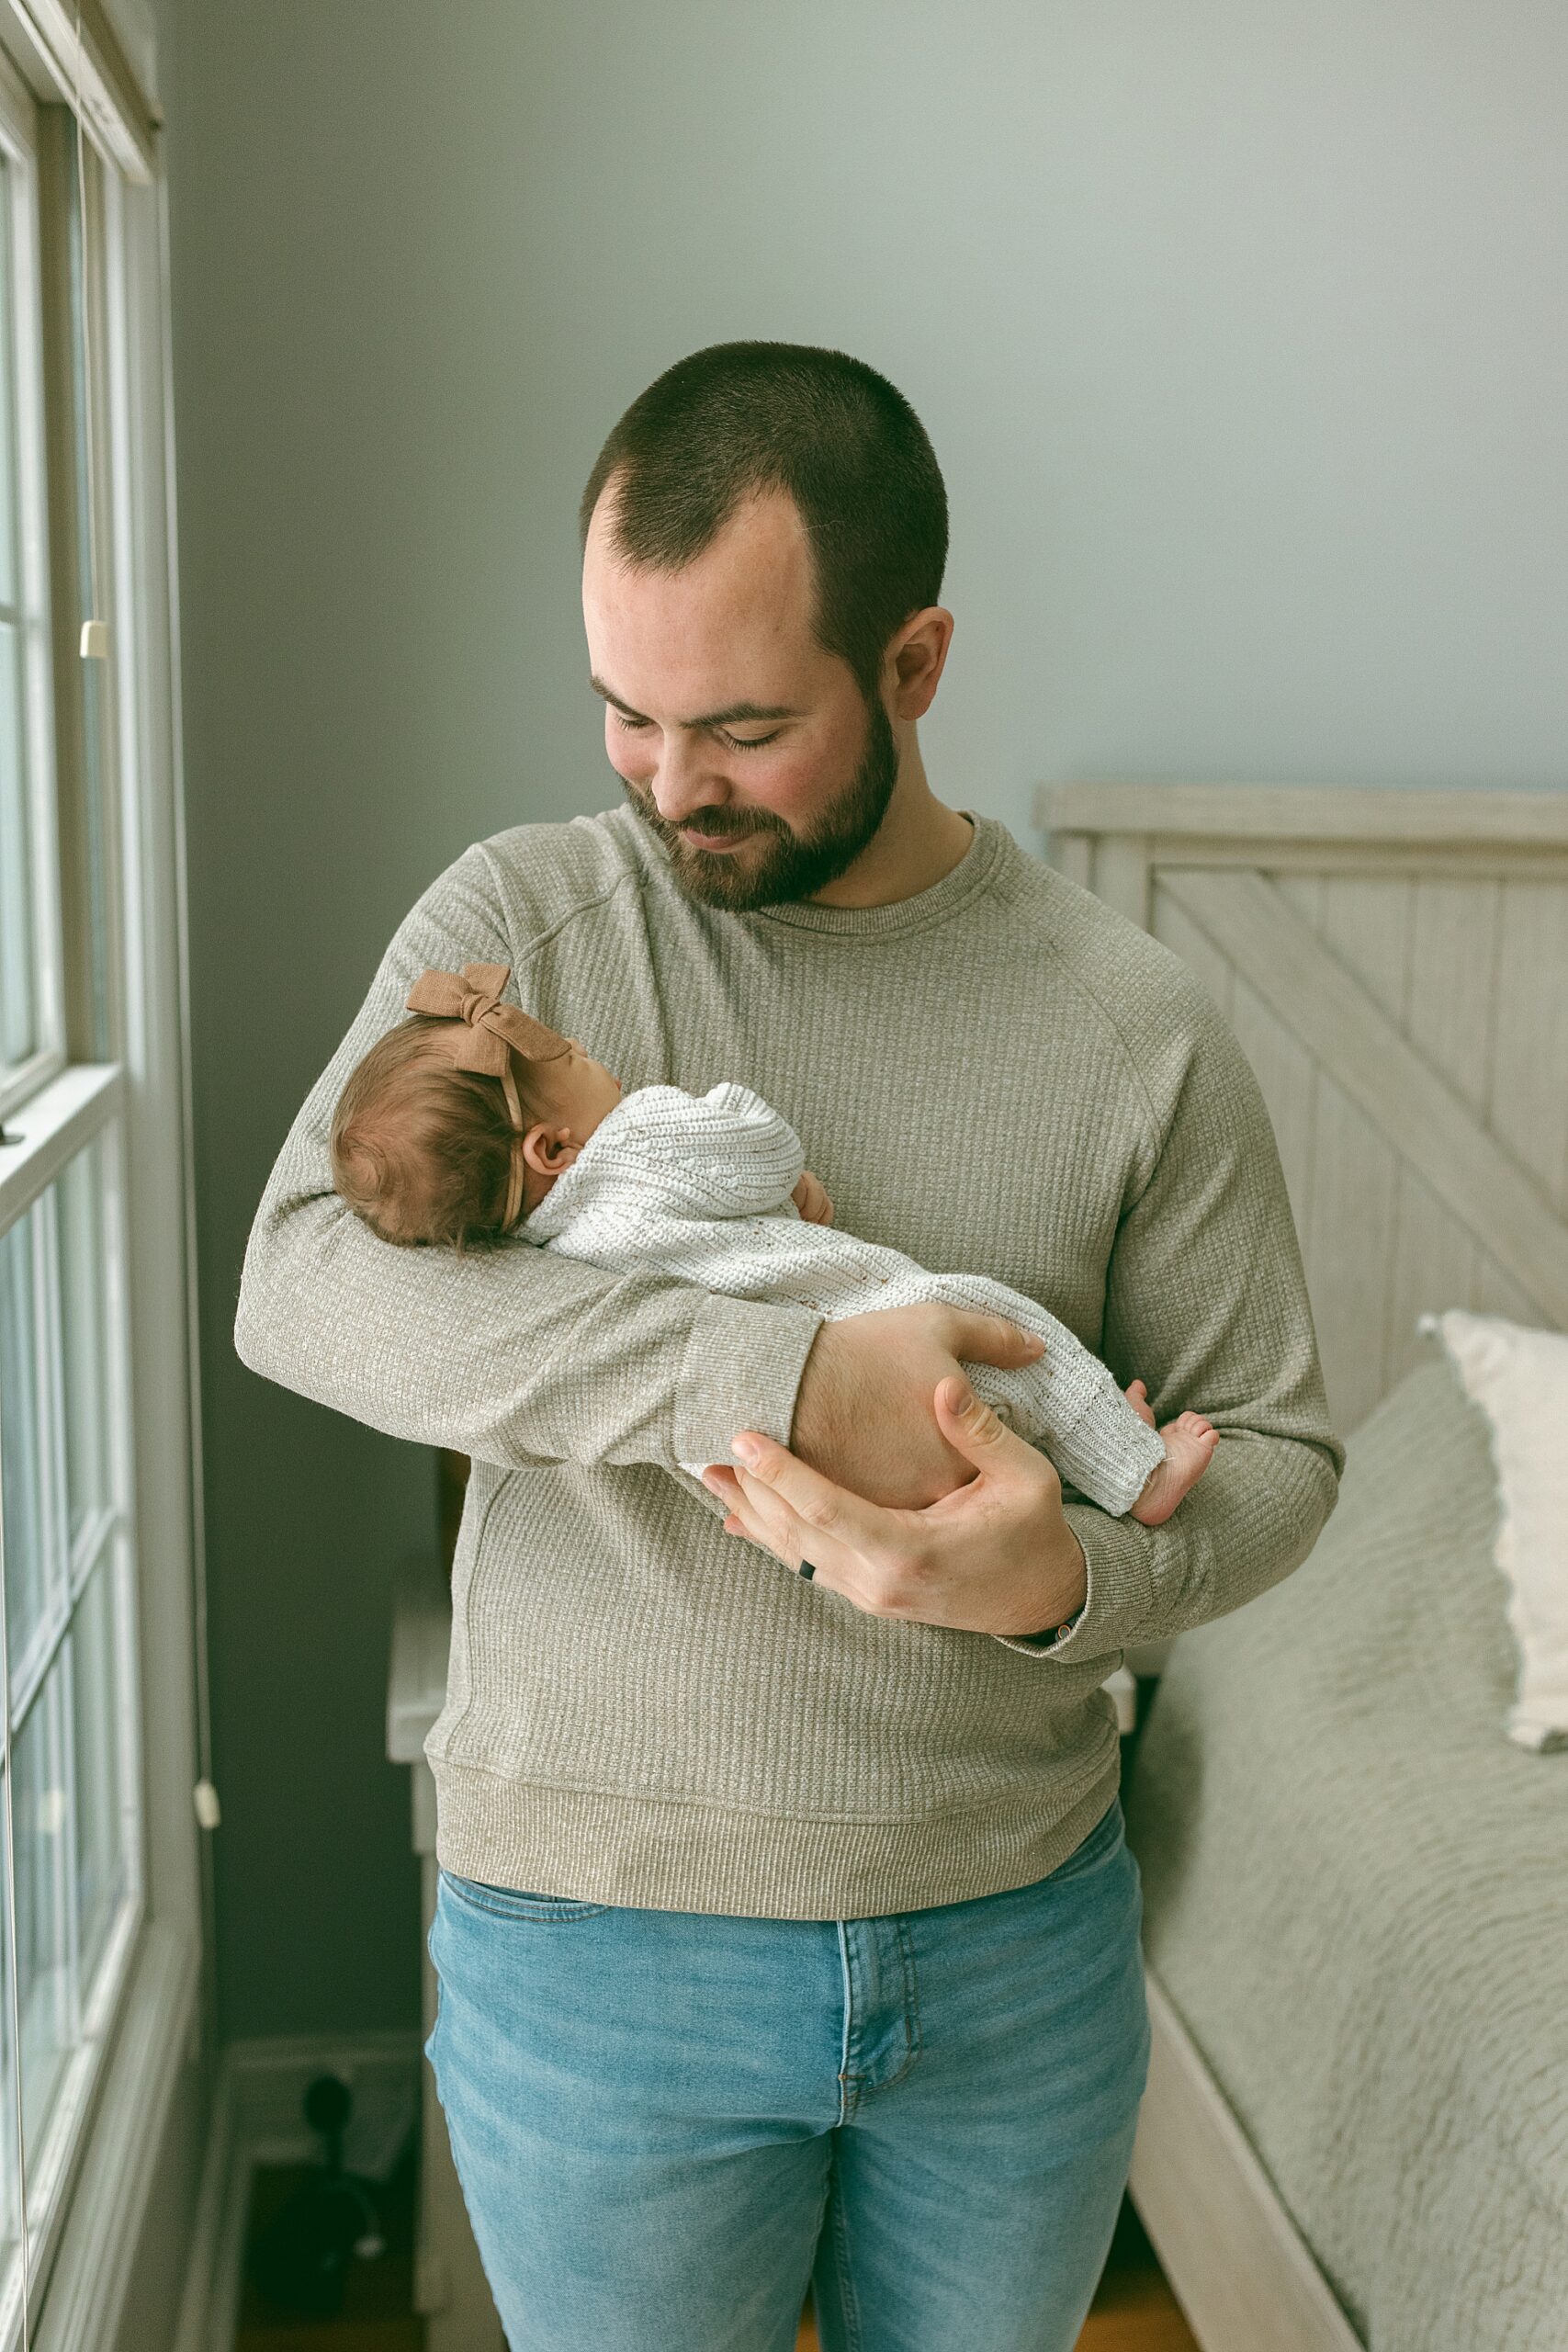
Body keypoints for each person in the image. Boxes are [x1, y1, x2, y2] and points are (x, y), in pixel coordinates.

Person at [235, 340, 1343, 2352]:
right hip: (597, 1957)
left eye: (741, 728)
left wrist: (1066, 1582)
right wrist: (774, 1384)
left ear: (912, 665)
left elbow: (1272, 1450)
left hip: (1012, 1952)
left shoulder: (1132, 1024)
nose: (669, 787)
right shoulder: (519, 938)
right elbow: (302, 1281)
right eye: (625, 714)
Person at [326, 963, 1217, 1524]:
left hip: (776, 1456)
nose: (587, 1047)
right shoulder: (637, 1141)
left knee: (983, 1427)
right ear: (552, 1150)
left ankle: (1086, 1459)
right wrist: (775, 1171)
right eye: (567, 1055)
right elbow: (759, 1144)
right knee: (1007, 1333)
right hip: (854, 1315)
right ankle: (1135, 1471)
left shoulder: (551, 1256)